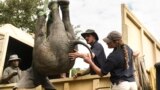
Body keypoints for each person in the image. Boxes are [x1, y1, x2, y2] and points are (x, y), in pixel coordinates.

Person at [70, 31, 138, 90]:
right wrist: (82, 73)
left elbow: (101, 72)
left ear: (115, 42)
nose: (106, 43)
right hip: (133, 84)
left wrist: (80, 55)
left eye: (108, 41)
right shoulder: (127, 48)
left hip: (121, 86)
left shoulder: (111, 55)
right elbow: (134, 54)